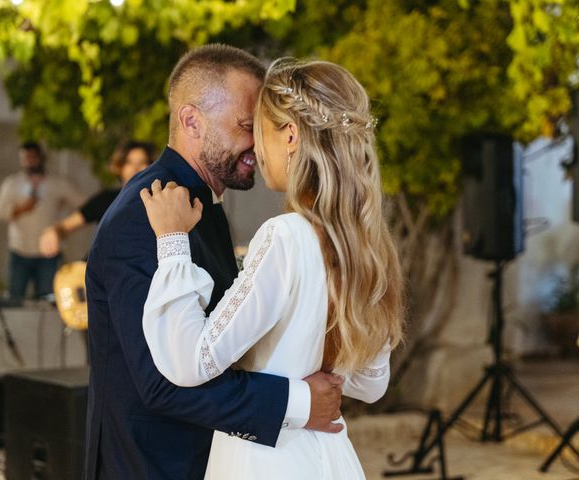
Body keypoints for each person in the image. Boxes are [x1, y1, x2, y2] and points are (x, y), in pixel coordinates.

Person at [83, 44, 344, 480]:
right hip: (152, 465)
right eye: (246, 126)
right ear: (191, 121)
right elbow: (161, 382)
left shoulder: (202, 206)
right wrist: (296, 403)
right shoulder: (145, 212)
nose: (257, 145)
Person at [139, 58, 404, 478]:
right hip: (328, 455)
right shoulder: (366, 245)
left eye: (258, 130)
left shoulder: (285, 236)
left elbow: (192, 360)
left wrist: (172, 243)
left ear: (291, 135)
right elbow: (371, 384)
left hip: (267, 459)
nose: (256, 150)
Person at [0, 142, 85, 300]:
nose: (29, 162)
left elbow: (84, 204)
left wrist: (65, 225)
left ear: (41, 157)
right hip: (19, 250)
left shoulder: (57, 183)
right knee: (15, 298)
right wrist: (21, 209)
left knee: (48, 300)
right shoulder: (12, 183)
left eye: (32, 157)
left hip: (48, 253)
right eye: (24, 158)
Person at [39, 141, 154, 258]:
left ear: (151, 166)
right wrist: (53, 232)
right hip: (104, 270)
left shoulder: (157, 200)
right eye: (129, 162)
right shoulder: (106, 199)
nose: (136, 168)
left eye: (142, 162)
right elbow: (65, 226)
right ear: (119, 167)